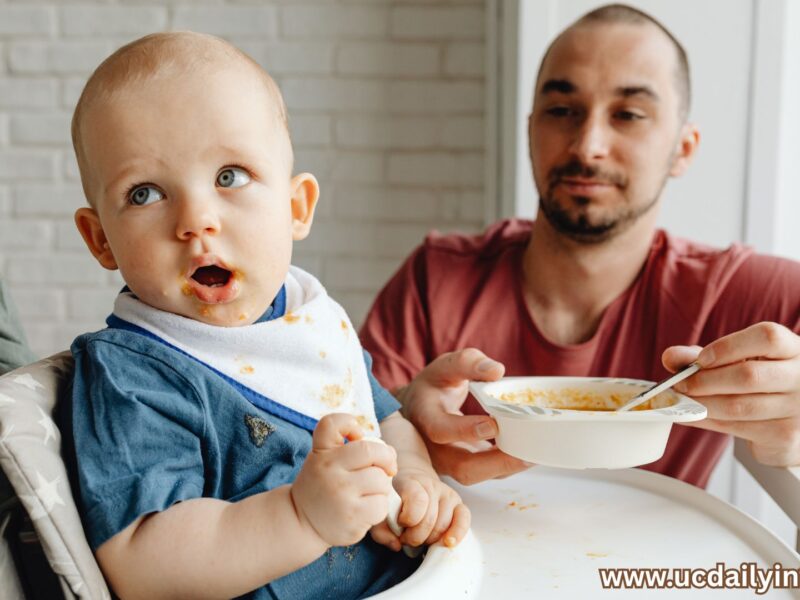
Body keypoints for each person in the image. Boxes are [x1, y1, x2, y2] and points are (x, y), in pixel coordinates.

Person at [61, 32, 469, 600]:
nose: (197, 219)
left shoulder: (308, 322)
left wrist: (415, 479)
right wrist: (300, 518)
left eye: (229, 176)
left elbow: (387, 421)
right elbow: (142, 561)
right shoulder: (132, 375)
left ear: (295, 208)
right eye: (146, 193)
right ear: (101, 239)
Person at [361, 3, 800, 489]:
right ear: (531, 130)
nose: (587, 144)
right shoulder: (435, 278)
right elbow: (332, 431)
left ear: (684, 148)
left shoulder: (735, 292)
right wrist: (397, 421)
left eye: (629, 114)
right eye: (562, 111)